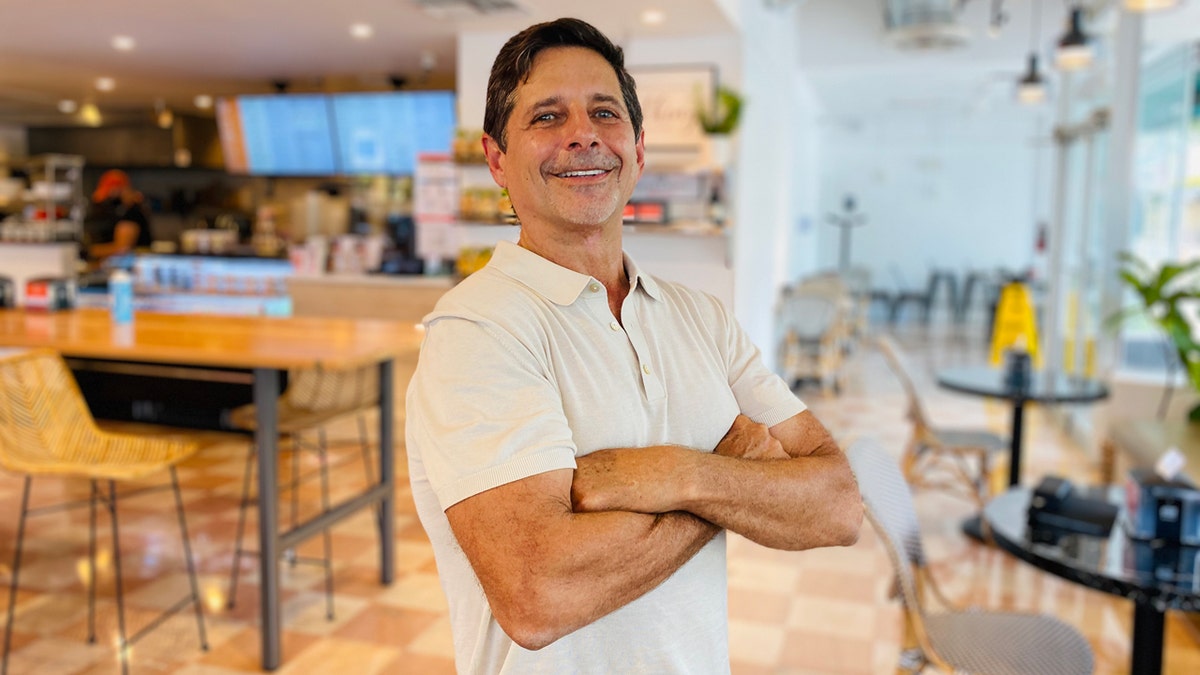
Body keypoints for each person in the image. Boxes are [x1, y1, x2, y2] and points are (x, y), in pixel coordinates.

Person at [405, 17, 862, 674]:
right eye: (546, 116)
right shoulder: (478, 332)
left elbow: (839, 504)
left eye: (603, 112)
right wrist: (735, 477)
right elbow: (539, 594)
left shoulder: (703, 318)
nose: (582, 133)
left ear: (639, 149)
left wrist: (681, 474)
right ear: (496, 158)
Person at [85, 169, 152, 263]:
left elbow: (121, 248)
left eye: (109, 194)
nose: (108, 200)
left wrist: (89, 251)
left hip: (133, 271)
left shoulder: (131, 213)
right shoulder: (123, 211)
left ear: (120, 190)